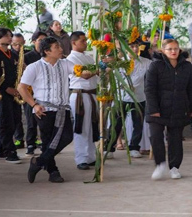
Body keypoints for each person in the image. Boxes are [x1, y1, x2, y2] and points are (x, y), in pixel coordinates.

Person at [18, 37, 87, 183]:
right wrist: (34, 105)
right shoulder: (34, 67)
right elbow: (21, 88)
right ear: (47, 51)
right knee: (48, 141)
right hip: (43, 109)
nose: (61, 49)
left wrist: (101, 67)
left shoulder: (66, 64)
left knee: (67, 137)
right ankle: (53, 172)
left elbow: (82, 73)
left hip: (63, 109)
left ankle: (39, 162)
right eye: (57, 47)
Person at [146, 39, 192, 180]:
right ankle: (160, 164)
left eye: (176, 48)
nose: (173, 51)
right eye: (169, 49)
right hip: (157, 108)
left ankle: (174, 167)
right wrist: (153, 109)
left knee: (175, 139)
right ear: (163, 50)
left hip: (179, 107)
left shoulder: (186, 67)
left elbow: (191, 89)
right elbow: (149, 89)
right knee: (156, 136)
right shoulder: (155, 66)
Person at [106, 38, 152, 159]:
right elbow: (112, 78)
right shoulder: (118, 62)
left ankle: (134, 147)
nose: (135, 49)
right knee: (116, 124)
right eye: (131, 46)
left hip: (139, 98)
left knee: (138, 124)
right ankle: (109, 147)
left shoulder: (147, 62)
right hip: (121, 97)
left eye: (137, 46)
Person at [66, 31, 99, 170]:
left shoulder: (89, 58)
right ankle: (81, 158)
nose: (86, 43)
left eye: (86, 41)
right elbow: (84, 75)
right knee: (81, 127)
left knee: (92, 126)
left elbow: (95, 74)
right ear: (74, 43)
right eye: (83, 41)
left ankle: (91, 156)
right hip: (79, 94)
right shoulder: (70, 59)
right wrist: (98, 69)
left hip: (92, 94)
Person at [0, 28, 22, 164]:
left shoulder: (13, 54)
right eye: (6, 36)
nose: (9, 38)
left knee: (15, 119)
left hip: (14, 91)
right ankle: (10, 152)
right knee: (6, 122)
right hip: (1, 92)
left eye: (10, 35)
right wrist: (6, 88)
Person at [23, 31, 48, 155]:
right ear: (34, 42)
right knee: (31, 121)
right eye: (40, 40)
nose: (43, 42)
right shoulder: (27, 56)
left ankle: (45, 144)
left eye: (45, 40)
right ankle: (30, 144)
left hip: (44, 93)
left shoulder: (48, 56)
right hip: (30, 93)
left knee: (44, 121)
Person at [11, 33, 28, 149]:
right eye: (15, 44)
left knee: (30, 115)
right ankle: (18, 139)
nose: (18, 46)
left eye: (20, 44)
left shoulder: (28, 54)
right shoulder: (8, 54)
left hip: (27, 87)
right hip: (13, 88)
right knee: (16, 116)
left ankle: (33, 138)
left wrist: (26, 67)